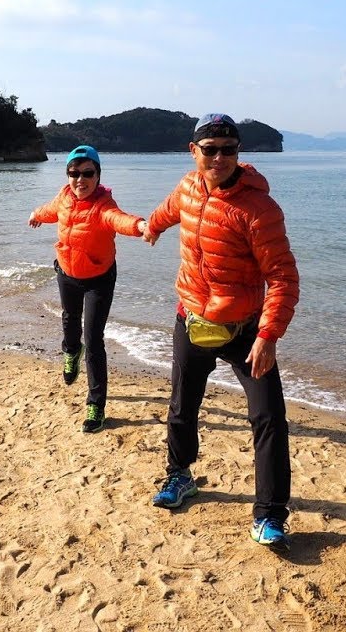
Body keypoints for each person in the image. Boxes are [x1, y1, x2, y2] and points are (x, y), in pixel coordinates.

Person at [141, 113, 300, 547]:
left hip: (246, 328)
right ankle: (179, 476)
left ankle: (269, 515)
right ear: (193, 151)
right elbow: (169, 210)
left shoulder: (259, 209)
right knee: (181, 405)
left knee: (268, 417)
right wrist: (150, 227)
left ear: (238, 153)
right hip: (191, 317)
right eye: (209, 148)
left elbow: (283, 277)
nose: (219, 157)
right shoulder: (189, 187)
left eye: (228, 149)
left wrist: (268, 335)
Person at [29, 145, 147, 432]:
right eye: (74, 173)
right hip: (67, 272)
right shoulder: (64, 197)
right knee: (70, 323)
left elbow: (119, 219)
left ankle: (96, 405)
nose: (80, 180)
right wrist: (36, 214)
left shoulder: (103, 205)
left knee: (94, 340)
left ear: (97, 175)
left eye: (87, 173)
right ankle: (71, 352)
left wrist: (141, 225)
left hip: (99, 278)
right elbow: (51, 210)